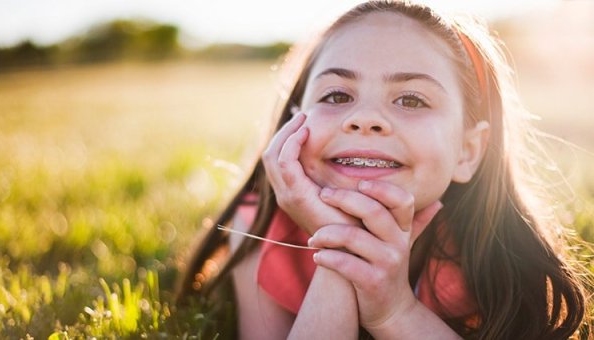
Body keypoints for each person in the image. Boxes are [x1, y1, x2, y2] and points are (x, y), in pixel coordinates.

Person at [177, 1, 590, 338]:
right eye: (337, 94)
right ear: (292, 127)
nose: (366, 118)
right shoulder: (257, 233)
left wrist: (394, 310)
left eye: (411, 100)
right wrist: (342, 246)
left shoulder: (492, 249)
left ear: (467, 151)